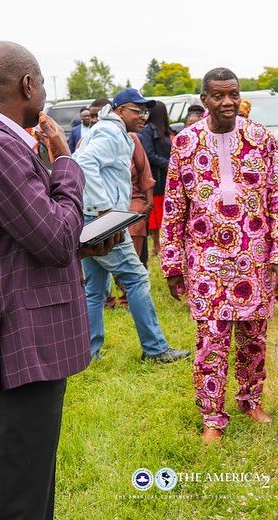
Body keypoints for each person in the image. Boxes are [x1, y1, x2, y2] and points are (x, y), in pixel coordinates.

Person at [0, 41, 119, 520]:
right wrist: (65, 161)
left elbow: (21, 236)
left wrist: (81, 242)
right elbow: (54, 238)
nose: (44, 91)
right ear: (28, 85)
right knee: (16, 498)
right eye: (42, 82)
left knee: (27, 484)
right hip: (16, 347)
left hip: (14, 339)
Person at [161, 68, 278, 443]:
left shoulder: (261, 138)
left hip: (254, 257)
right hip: (206, 262)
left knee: (254, 339)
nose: (227, 102)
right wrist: (172, 264)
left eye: (233, 94)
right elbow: (173, 208)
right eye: (218, 95)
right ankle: (212, 417)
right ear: (203, 99)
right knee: (211, 342)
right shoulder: (185, 143)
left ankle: (250, 400)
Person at [74, 87, 190, 363]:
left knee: (94, 289)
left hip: (92, 217)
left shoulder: (111, 130)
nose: (143, 117)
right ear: (120, 110)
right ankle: (155, 349)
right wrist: (104, 207)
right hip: (103, 220)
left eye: (146, 113)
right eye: (137, 111)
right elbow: (83, 162)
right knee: (137, 279)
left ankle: (87, 353)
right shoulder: (110, 132)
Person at [139, 102, 173, 257]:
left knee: (166, 211)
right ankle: (157, 245)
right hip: (156, 176)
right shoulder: (148, 130)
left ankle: (164, 243)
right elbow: (148, 153)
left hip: (167, 176)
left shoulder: (166, 131)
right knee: (156, 212)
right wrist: (167, 164)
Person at [128, 131, 155, 266]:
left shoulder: (132, 139)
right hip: (103, 208)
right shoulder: (87, 140)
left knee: (133, 265)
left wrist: (149, 204)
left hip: (134, 205)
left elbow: (145, 171)